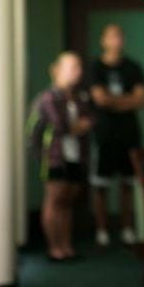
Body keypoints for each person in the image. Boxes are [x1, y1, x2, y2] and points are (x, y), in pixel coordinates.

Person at [27, 51, 94, 261]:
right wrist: (76, 127)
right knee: (54, 200)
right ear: (57, 70)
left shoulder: (79, 96)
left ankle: (66, 246)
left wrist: (79, 126)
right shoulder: (48, 97)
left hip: (75, 155)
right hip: (55, 157)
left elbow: (90, 120)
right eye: (73, 67)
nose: (78, 72)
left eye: (79, 67)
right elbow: (59, 126)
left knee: (67, 201)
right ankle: (53, 248)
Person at [89, 23, 144, 247]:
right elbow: (99, 99)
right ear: (103, 40)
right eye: (111, 36)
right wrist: (126, 100)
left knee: (127, 184)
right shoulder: (96, 68)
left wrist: (114, 102)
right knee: (101, 185)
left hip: (129, 134)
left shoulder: (133, 67)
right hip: (104, 135)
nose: (116, 40)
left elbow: (141, 99)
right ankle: (102, 230)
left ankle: (127, 228)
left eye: (119, 36)